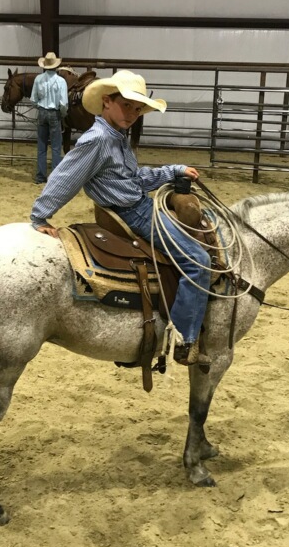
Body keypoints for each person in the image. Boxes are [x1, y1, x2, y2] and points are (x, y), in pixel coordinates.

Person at [30, 69, 211, 366]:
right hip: (134, 214)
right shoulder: (98, 139)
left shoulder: (116, 137)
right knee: (198, 261)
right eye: (127, 105)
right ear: (106, 102)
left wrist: (174, 170)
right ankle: (183, 338)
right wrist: (41, 216)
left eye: (138, 108)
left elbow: (133, 178)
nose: (133, 113)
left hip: (137, 205)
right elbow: (66, 176)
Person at [31, 51, 69, 185]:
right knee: (56, 147)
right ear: (56, 65)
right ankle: (54, 178)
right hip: (54, 113)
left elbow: (33, 100)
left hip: (42, 112)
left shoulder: (38, 79)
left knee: (41, 146)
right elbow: (63, 103)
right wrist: (63, 114)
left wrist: (41, 107)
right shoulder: (61, 81)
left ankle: (40, 176)